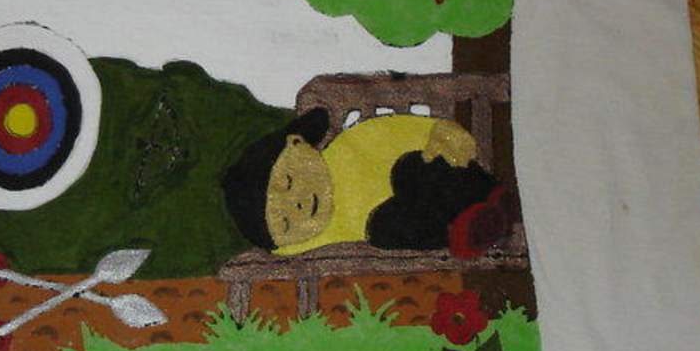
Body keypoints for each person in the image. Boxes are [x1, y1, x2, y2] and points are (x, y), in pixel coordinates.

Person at [221, 106, 518, 256]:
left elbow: (406, 132)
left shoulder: (354, 144)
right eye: (286, 223)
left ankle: (489, 195)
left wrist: (443, 133)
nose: (298, 203)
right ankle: (469, 229)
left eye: (288, 181)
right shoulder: (320, 237)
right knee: (385, 228)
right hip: (425, 226)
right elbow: (283, 253)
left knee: (411, 169)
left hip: (438, 177)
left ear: (298, 145)